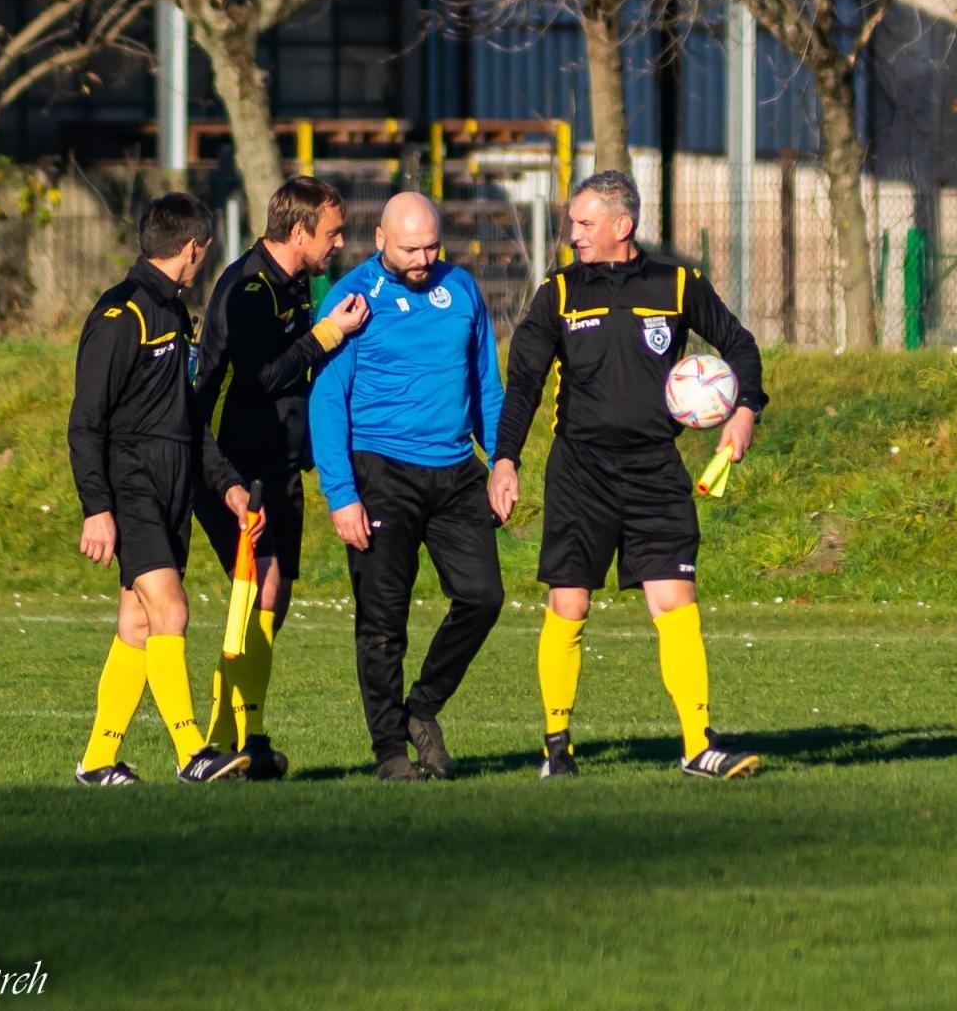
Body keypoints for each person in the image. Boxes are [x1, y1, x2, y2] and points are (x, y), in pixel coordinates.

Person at [489, 169, 769, 781]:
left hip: (655, 472)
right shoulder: (558, 293)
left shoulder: (676, 283)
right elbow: (526, 384)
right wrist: (505, 458)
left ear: (623, 225)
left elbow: (740, 346)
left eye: (584, 224)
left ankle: (698, 743)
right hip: (580, 472)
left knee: (676, 601)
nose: (573, 235)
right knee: (569, 603)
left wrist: (745, 408)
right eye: (571, 223)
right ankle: (556, 746)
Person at [309, 192, 506, 782]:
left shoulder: (462, 289)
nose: (423, 258)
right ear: (380, 241)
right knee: (383, 621)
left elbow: (486, 385)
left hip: (454, 472)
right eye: (410, 248)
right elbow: (327, 400)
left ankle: (421, 708)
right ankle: (391, 752)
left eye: (431, 246)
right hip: (380, 473)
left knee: (483, 597)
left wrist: (501, 460)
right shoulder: (351, 298)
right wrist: (341, 494)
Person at [68, 192, 260, 786]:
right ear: (193, 248)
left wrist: (226, 486)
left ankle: (98, 760)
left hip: (173, 482)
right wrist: (97, 508)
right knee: (171, 609)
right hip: (132, 484)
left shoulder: (175, 314)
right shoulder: (120, 315)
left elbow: (186, 418)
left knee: (138, 625)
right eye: (203, 250)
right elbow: (85, 420)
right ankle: (192, 752)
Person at [193, 176, 370, 780]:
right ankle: (234, 739)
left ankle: (239, 737)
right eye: (333, 232)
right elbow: (258, 380)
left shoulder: (296, 283)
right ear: (299, 231)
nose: (339, 243)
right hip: (234, 466)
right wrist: (328, 334)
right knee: (259, 591)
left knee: (276, 597)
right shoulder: (247, 288)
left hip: (281, 463)